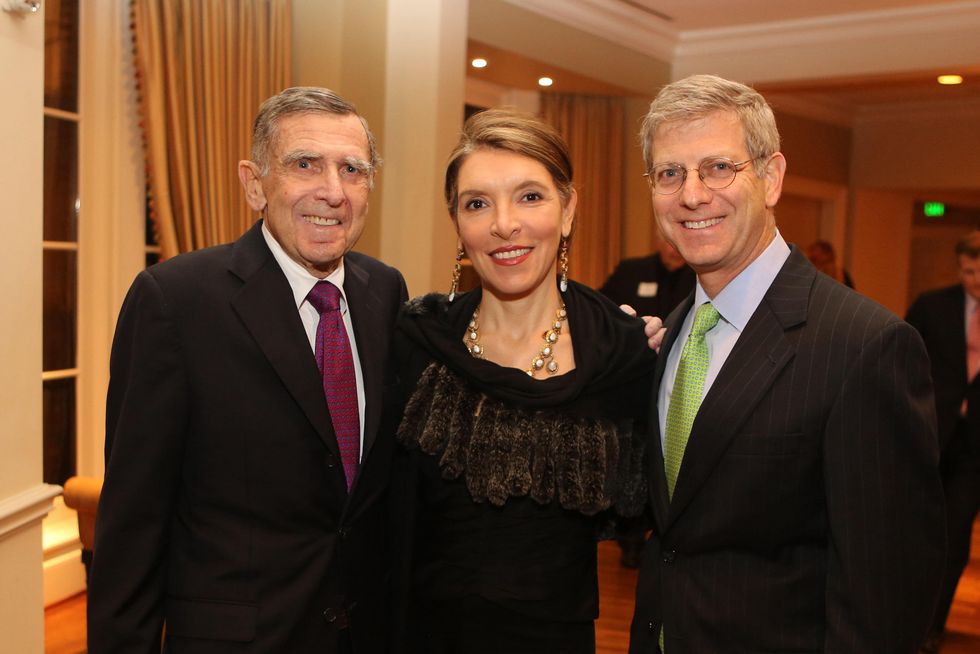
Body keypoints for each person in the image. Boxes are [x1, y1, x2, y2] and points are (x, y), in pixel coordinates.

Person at [628, 74, 944, 654]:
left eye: (718, 168)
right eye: (669, 173)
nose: (692, 195)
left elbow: (886, 593)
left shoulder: (865, 346)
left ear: (771, 177)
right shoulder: (670, 333)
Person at [88, 87, 407, 653]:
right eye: (304, 164)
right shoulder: (175, 301)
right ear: (254, 183)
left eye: (352, 170)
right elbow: (133, 522)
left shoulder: (385, 291)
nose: (332, 192)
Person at [393, 109, 657, 654]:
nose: (504, 224)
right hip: (420, 633)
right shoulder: (416, 340)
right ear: (458, 224)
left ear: (568, 210)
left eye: (530, 197)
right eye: (477, 203)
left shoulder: (622, 351)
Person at [906, 231, 980, 653]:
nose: (976, 280)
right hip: (929, 434)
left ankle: (934, 625)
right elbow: (898, 358)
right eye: (969, 271)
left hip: (974, 449)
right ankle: (906, 615)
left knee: (955, 540)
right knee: (915, 532)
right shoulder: (933, 306)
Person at [601, 239, 695, 568]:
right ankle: (629, 540)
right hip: (631, 383)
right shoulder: (632, 271)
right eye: (668, 242)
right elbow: (604, 313)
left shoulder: (699, 276)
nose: (674, 248)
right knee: (631, 457)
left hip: (678, 379)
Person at [601, 239, 695, 322]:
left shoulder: (697, 276)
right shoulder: (631, 271)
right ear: (659, 243)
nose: (677, 251)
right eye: (672, 244)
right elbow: (604, 306)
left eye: (682, 245)